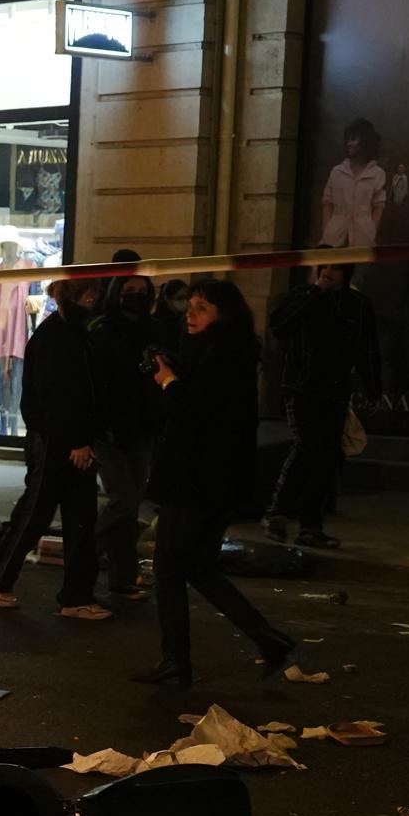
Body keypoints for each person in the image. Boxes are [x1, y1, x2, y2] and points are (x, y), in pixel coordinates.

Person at [136, 278, 295, 687]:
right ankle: (267, 637)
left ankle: (176, 661)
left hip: (195, 480)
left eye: (201, 307)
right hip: (217, 480)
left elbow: (190, 414)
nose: (190, 313)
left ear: (223, 313)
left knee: (169, 569)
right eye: (189, 305)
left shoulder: (221, 355)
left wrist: (169, 381)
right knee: (199, 567)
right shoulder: (227, 351)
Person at [0, 273, 109, 618]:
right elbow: (57, 395)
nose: (93, 301)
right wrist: (77, 440)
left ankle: (76, 595)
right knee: (36, 513)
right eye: (88, 295)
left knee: (80, 517)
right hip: (54, 441)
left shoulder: (74, 334)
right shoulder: (57, 337)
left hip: (69, 439)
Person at [264, 262, 381, 548]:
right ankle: (278, 510)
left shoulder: (358, 305)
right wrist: (315, 293)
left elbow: (367, 347)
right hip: (302, 387)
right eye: (325, 267)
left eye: (336, 268)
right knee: (307, 445)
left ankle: (311, 525)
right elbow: (280, 326)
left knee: (326, 456)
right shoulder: (304, 296)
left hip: (335, 390)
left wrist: (372, 386)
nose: (329, 273)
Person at [84, 256, 156, 599]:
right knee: (124, 498)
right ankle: (84, 552)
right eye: (129, 290)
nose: (135, 295)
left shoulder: (152, 328)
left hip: (141, 428)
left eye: (141, 290)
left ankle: (122, 575)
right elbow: (98, 382)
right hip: (110, 429)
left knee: (129, 507)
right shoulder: (102, 327)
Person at [317, 118, 390, 248]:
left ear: (365, 141)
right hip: (334, 237)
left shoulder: (377, 173)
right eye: (348, 140)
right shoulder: (337, 172)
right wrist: (327, 230)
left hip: (363, 238)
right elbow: (327, 203)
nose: (349, 144)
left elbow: (378, 206)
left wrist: (371, 229)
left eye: (353, 139)